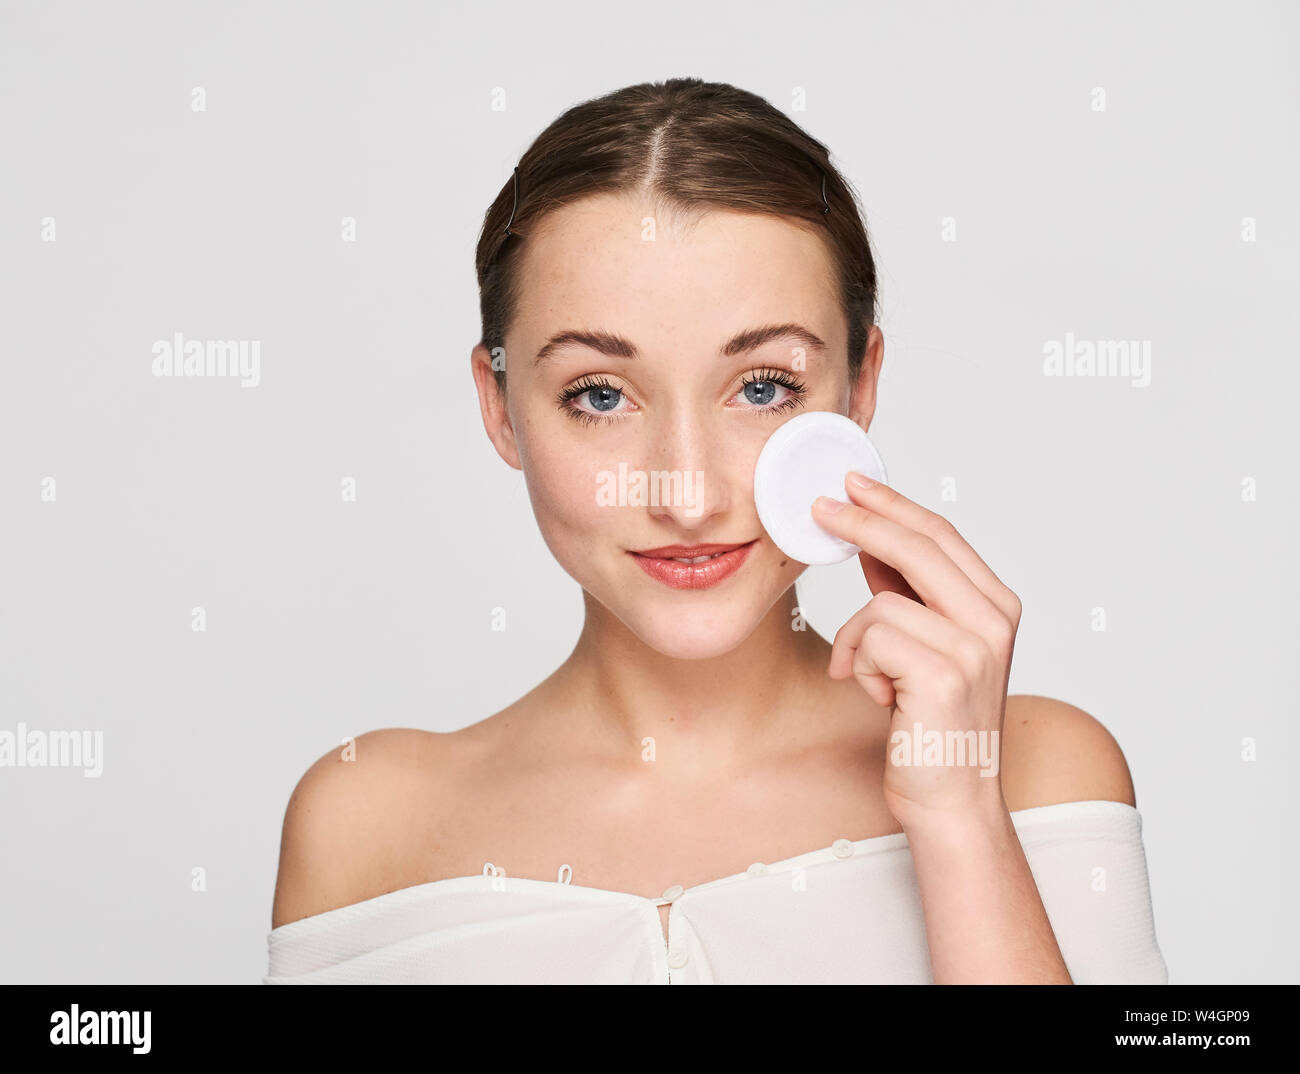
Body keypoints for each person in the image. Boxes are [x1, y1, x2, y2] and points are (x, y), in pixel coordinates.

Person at [266, 77, 1166, 984]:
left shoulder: (1040, 773)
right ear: (500, 408)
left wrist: (961, 818)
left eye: (764, 387)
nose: (688, 494)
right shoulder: (365, 825)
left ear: (858, 391)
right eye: (601, 395)